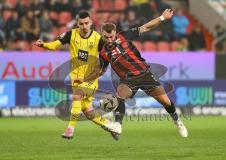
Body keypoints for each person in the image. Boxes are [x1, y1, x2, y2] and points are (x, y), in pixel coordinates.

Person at [82, 9, 188, 140]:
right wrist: (83, 80)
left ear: (115, 33)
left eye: (111, 36)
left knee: (166, 102)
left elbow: (146, 27)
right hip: (128, 80)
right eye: (106, 37)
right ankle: (118, 125)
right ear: (102, 35)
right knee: (118, 97)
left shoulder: (124, 35)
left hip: (144, 74)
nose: (109, 40)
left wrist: (162, 18)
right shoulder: (103, 52)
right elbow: (100, 71)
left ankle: (178, 121)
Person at [34, 11, 121, 139]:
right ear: (77, 24)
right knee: (89, 113)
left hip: (90, 79)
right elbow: (54, 45)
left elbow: (107, 52)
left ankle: (70, 129)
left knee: (77, 96)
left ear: (91, 23)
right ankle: (110, 126)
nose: (84, 26)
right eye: (81, 24)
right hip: (75, 79)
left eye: (87, 23)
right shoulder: (70, 35)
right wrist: (44, 45)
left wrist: (115, 46)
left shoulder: (97, 38)